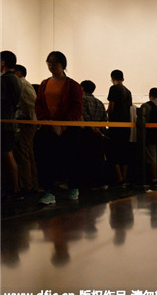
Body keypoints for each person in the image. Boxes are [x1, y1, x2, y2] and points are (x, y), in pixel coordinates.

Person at [34, 51, 83, 204]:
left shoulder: (73, 85)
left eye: (55, 62)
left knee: (71, 159)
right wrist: (46, 121)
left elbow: (77, 107)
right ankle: (49, 192)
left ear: (63, 64)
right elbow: (39, 105)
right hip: (48, 129)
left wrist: (63, 125)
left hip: (68, 129)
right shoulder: (44, 84)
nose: (51, 65)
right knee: (47, 161)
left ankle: (73, 187)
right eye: (49, 62)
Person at [14, 64, 40, 194]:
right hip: (30, 122)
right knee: (28, 153)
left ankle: (27, 185)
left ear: (18, 73)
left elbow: (29, 106)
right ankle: (32, 184)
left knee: (23, 153)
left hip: (26, 123)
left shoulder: (21, 84)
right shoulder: (25, 84)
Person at [1, 51, 22, 200]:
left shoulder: (5, 79)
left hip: (4, 123)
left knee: (7, 155)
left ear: (3, 62)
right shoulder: (15, 79)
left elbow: (2, 102)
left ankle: (13, 189)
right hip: (10, 121)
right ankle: (14, 188)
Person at [80, 80, 108, 189]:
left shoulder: (82, 100)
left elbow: (84, 116)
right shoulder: (99, 102)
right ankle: (100, 183)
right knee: (98, 159)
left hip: (86, 133)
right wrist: (99, 130)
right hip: (99, 134)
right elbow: (104, 119)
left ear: (82, 89)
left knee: (86, 158)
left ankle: (87, 183)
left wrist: (92, 127)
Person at [107, 69, 132, 187]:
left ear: (112, 78)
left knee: (114, 151)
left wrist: (108, 117)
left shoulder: (114, 88)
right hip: (126, 125)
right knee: (124, 151)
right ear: (123, 78)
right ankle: (125, 177)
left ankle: (119, 178)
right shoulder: (128, 91)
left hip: (115, 124)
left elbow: (111, 107)